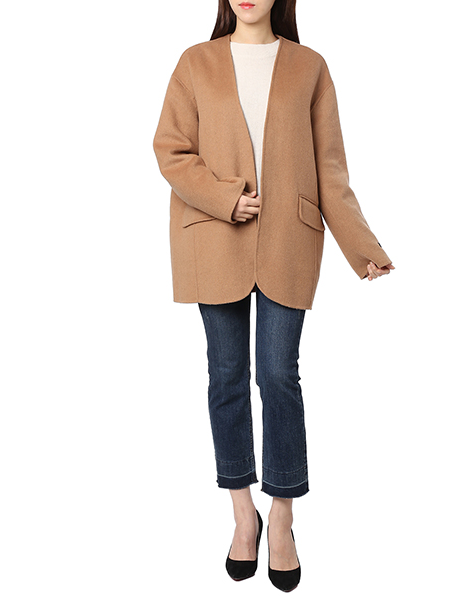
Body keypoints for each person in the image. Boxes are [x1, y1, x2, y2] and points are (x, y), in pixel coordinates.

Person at [152, 0, 395, 592]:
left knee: (278, 375)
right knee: (226, 377)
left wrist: (361, 245)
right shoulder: (195, 62)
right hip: (214, 236)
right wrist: (225, 198)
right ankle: (243, 514)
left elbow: (330, 170)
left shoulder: (310, 67)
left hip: (289, 237)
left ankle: (281, 516)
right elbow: (171, 150)